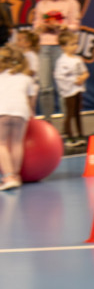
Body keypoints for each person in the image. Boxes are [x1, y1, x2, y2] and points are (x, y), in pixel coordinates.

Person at [32, 0, 81, 120]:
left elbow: (75, 25)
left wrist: (64, 27)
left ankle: (67, 122)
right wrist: (41, 27)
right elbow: (36, 24)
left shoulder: (71, 3)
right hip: (44, 47)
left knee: (64, 87)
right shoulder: (41, 4)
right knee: (45, 87)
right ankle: (47, 120)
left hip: (62, 47)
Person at [0, 46, 34, 191]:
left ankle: (8, 177)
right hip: (21, 112)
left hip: (3, 111)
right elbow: (31, 101)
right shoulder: (27, 78)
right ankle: (15, 175)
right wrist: (30, 114)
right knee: (16, 143)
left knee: (1, 144)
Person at [54, 31, 86, 146]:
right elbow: (59, 76)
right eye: (72, 44)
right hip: (69, 91)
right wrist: (73, 81)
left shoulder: (78, 59)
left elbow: (85, 72)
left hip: (78, 89)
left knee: (77, 113)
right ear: (63, 47)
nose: (75, 47)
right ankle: (69, 137)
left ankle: (80, 134)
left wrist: (83, 77)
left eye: (76, 44)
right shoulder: (62, 61)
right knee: (70, 113)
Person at [15, 30, 40, 111]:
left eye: (19, 40)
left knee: (29, 110)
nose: (16, 42)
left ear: (28, 43)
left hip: (30, 87)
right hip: (21, 86)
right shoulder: (20, 55)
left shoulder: (31, 56)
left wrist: (19, 71)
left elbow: (32, 71)